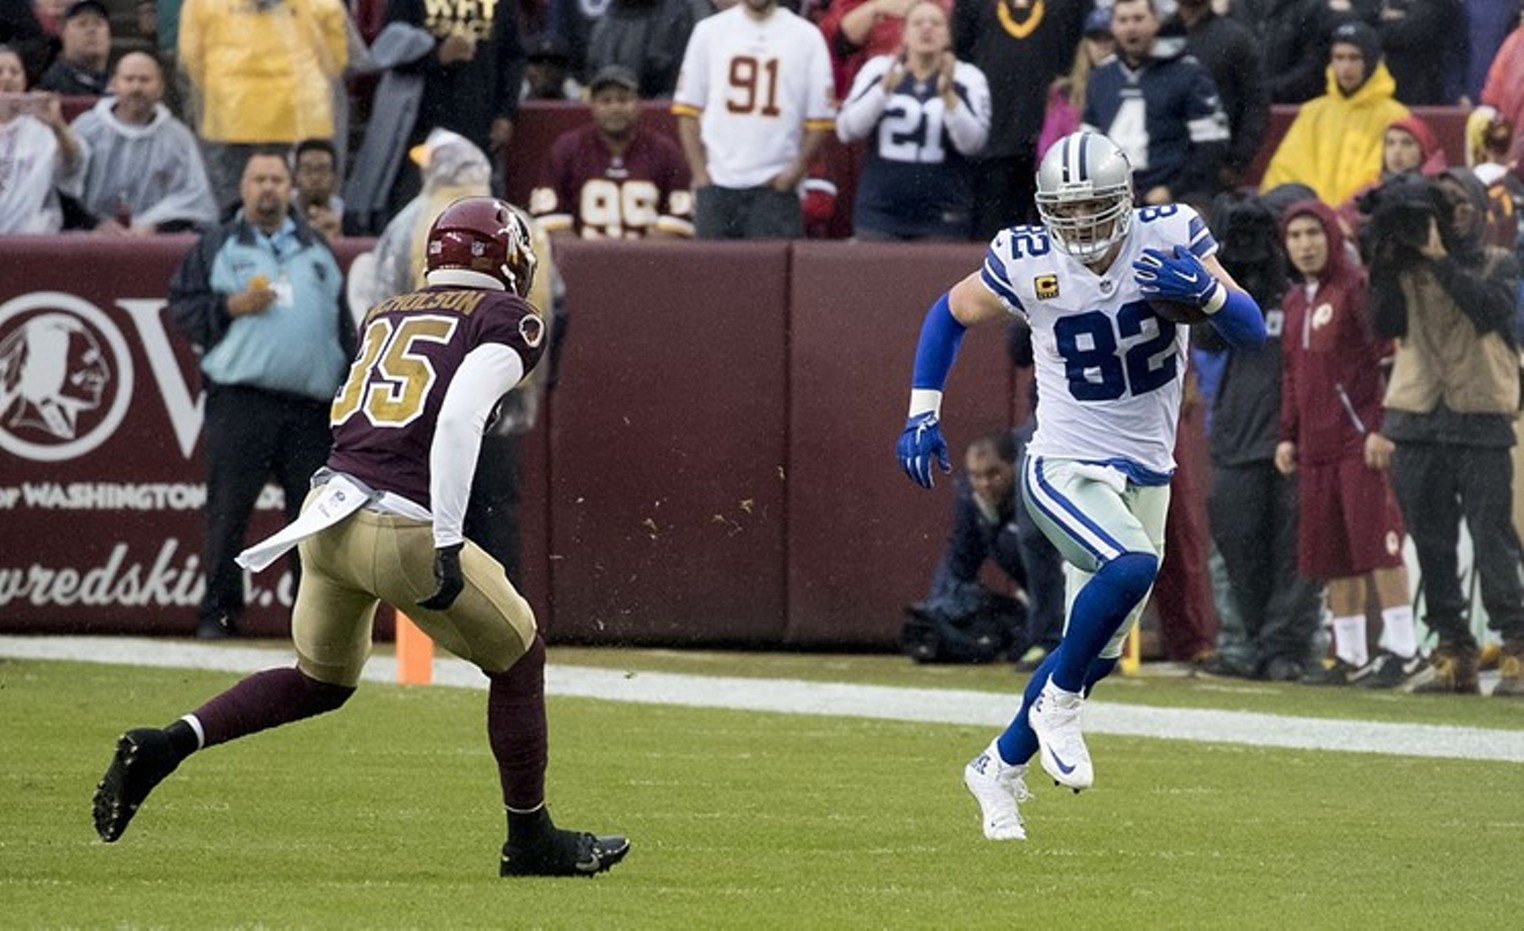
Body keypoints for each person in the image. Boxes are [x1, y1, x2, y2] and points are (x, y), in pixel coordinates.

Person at [92, 196, 630, 878]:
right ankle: (530, 839)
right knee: (518, 658)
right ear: (506, 258)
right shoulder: (508, 317)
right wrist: (443, 537)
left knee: (319, 679)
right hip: (402, 523)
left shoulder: (386, 311)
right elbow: (461, 419)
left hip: (327, 516)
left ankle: (168, 741)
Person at [896, 130, 1266, 839]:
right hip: (1062, 461)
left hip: (1147, 468)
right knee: (1129, 568)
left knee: (1089, 652)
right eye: (1066, 211)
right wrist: (921, 410)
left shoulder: (1171, 235)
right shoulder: (1025, 256)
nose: (1082, 227)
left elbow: (1250, 330)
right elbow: (948, 313)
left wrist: (1212, 295)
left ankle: (998, 766)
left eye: (1095, 208)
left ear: (1125, 201)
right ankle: (1059, 705)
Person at [166, 149, 357, 639]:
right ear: (244, 188)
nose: (267, 187)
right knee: (230, 509)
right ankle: (219, 614)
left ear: (289, 187)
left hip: (312, 407)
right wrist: (229, 306)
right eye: (258, 179)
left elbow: (343, 324)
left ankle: (310, 621)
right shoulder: (218, 244)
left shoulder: (317, 248)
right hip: (242, 399)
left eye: (276, 179)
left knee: (310, 518)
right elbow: (182, 305)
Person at [1369, 168, 1524, 696]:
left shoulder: (1499, 262)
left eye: (1462, 203)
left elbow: (1490, 312)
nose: (1453, 212)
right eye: (1444, 203)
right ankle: (1453, 649)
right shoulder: (1403, 264)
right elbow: (1384, 324)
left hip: (1481, 413)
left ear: (1480, 210)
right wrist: (1382, 259)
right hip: (1415, 416)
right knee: (1432, 544)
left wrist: (1439, 258)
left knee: (1492, 539)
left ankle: (1516, 648)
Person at [1275, 198, 1426, 688]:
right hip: (1315, 447)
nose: (1304, 245)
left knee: (1378, 546)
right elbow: (1293, 376)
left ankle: (1406, 652)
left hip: (1360, 441)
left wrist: (1384, 427)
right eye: (1295, 237)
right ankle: (1351, 655)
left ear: (1332, 237)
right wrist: (1287, 436)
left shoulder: (1358, 289)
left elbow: (1389, 360)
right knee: (1331, 554)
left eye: (1312, 234)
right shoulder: (1296, 300)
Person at [1197, 192, 1323, 681]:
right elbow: (1205, 339)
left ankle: (1285, 652)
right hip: (1237, 435)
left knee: (1296, 558)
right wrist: (1232, 274)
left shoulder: (1311, 288)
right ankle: (1252, 644)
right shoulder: (1241, 283)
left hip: (1296, 441)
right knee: (1238, 548)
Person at [672, 0, 837, 239]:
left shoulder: (806, 37)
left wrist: (794, 172)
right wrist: (701, 176)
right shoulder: (708, 32)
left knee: (773, 275)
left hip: (775, 190)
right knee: (713, 274)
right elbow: (687, 111)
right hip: (718, 186)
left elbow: (821, 118)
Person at [834, 0, 990, 241]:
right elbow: (846, 130)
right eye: (917, 23)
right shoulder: (879, 70)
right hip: (879, 213)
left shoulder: (968, 77)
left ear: (949, 34)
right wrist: (882, 91)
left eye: (936, 23)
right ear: (904, 33)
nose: (926, 29)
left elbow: (974, 144)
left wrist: (949, 97)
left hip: (943, 214)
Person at [908, 430, 1064, 664]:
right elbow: (960, 562)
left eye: (993, 473)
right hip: (1033, 596)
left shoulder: (1039, 493)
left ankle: (1052, 639)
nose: (985, 484)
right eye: (976, 475)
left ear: (1014, 466)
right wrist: (939, 615)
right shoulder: (971, 500)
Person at [178, 0, 349, 209]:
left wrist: (220, 85)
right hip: (297, 114)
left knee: (233, 192)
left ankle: (236, 234)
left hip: (230, 112)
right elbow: (336, 59)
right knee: (292, 191)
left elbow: (190, 56)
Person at [953, 0, 1090, 239]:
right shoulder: (973, 5)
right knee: (994, 242)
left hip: (1054, 150)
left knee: (1058, 240)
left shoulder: (1069, 6)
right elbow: (959, 57)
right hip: (994, 147)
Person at [1083, 0, 1231, 209]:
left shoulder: (1187, 72)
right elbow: (1090, 143)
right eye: (1123, 20)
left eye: (1138, 18)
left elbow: (1212, 146)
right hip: (1115, 199)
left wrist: (1173, 189)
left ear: (1156, 22)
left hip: (1176, 197)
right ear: (1113, 27)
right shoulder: (1101, 77)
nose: (1131, 27)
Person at [529, 64, 694, 239]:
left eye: (623, 100)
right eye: (606, 101)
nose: (615, 108)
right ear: (592, 105)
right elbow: (550, 223)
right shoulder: (566, 149)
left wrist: (636, 260)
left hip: (647, 262)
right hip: (582, 263)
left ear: (639, 104)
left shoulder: (665, 151)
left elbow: (677, 224)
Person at [1259, 21, 1410, 208]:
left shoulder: (1395, 116)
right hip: (1312, 224)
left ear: (1371, 61)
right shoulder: (1313, 113)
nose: (1346, 67)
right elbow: (1284, 173)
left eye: (1354, 58)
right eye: (1339, 58)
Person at [69, 51, 218, 234]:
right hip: (90, 236)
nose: (136, 88)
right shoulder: (86, 128)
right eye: (129, 79)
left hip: (155, 240)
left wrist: (153, 226)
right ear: (114, 84)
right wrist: (96, 225)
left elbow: (193, 197)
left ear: (160, 88)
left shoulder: (178, 137)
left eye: (145, 80)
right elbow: (66, 186)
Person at [0, 44, 87, 235]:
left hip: (31, 241)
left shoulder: (42, 129)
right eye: (0, 71)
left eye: (14, 72)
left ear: (24, 81)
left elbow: (71, 168)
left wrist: (57, 126)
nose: (6, 78)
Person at [35, 0, 109, 96]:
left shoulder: (119, 84)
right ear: (63, 32)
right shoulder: (53, 88)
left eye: (98, 23)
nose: (92, 30)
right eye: (82, 24)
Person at [290, 137, 344, 242]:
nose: (315, 177)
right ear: (296, 175)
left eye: (322, 170)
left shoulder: (346, 215)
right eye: (307, 170)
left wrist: (339, 238)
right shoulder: (283, 210)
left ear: (334, 176)